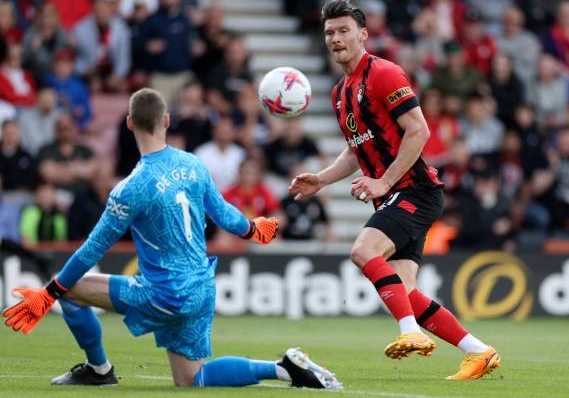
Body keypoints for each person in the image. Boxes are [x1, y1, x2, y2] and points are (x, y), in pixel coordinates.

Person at [3, 88, 340, 390]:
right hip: (201, 288)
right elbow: (224, 215)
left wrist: (47, 295)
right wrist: (255, 230)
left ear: (129, 123)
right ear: (166, 119)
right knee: (191, 379)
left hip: (164, 293)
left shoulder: (130, 188)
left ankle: (99, 369)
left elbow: (92, 249)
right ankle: (283, 368)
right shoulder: (193, 164)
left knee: (70, 291)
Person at [289, 0, 500, 381]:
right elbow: (358, 150)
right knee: (406, 293)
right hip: (394, 194)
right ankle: (479, 351)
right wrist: (320, 179)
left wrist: (384, 181)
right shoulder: (340, 93)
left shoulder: (384, 73)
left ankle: (410, 333)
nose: (335, 39)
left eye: (343, 31)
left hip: (415, 190)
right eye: (329, 33)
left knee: (362, 251)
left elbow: (419, 130)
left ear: (363, 34)